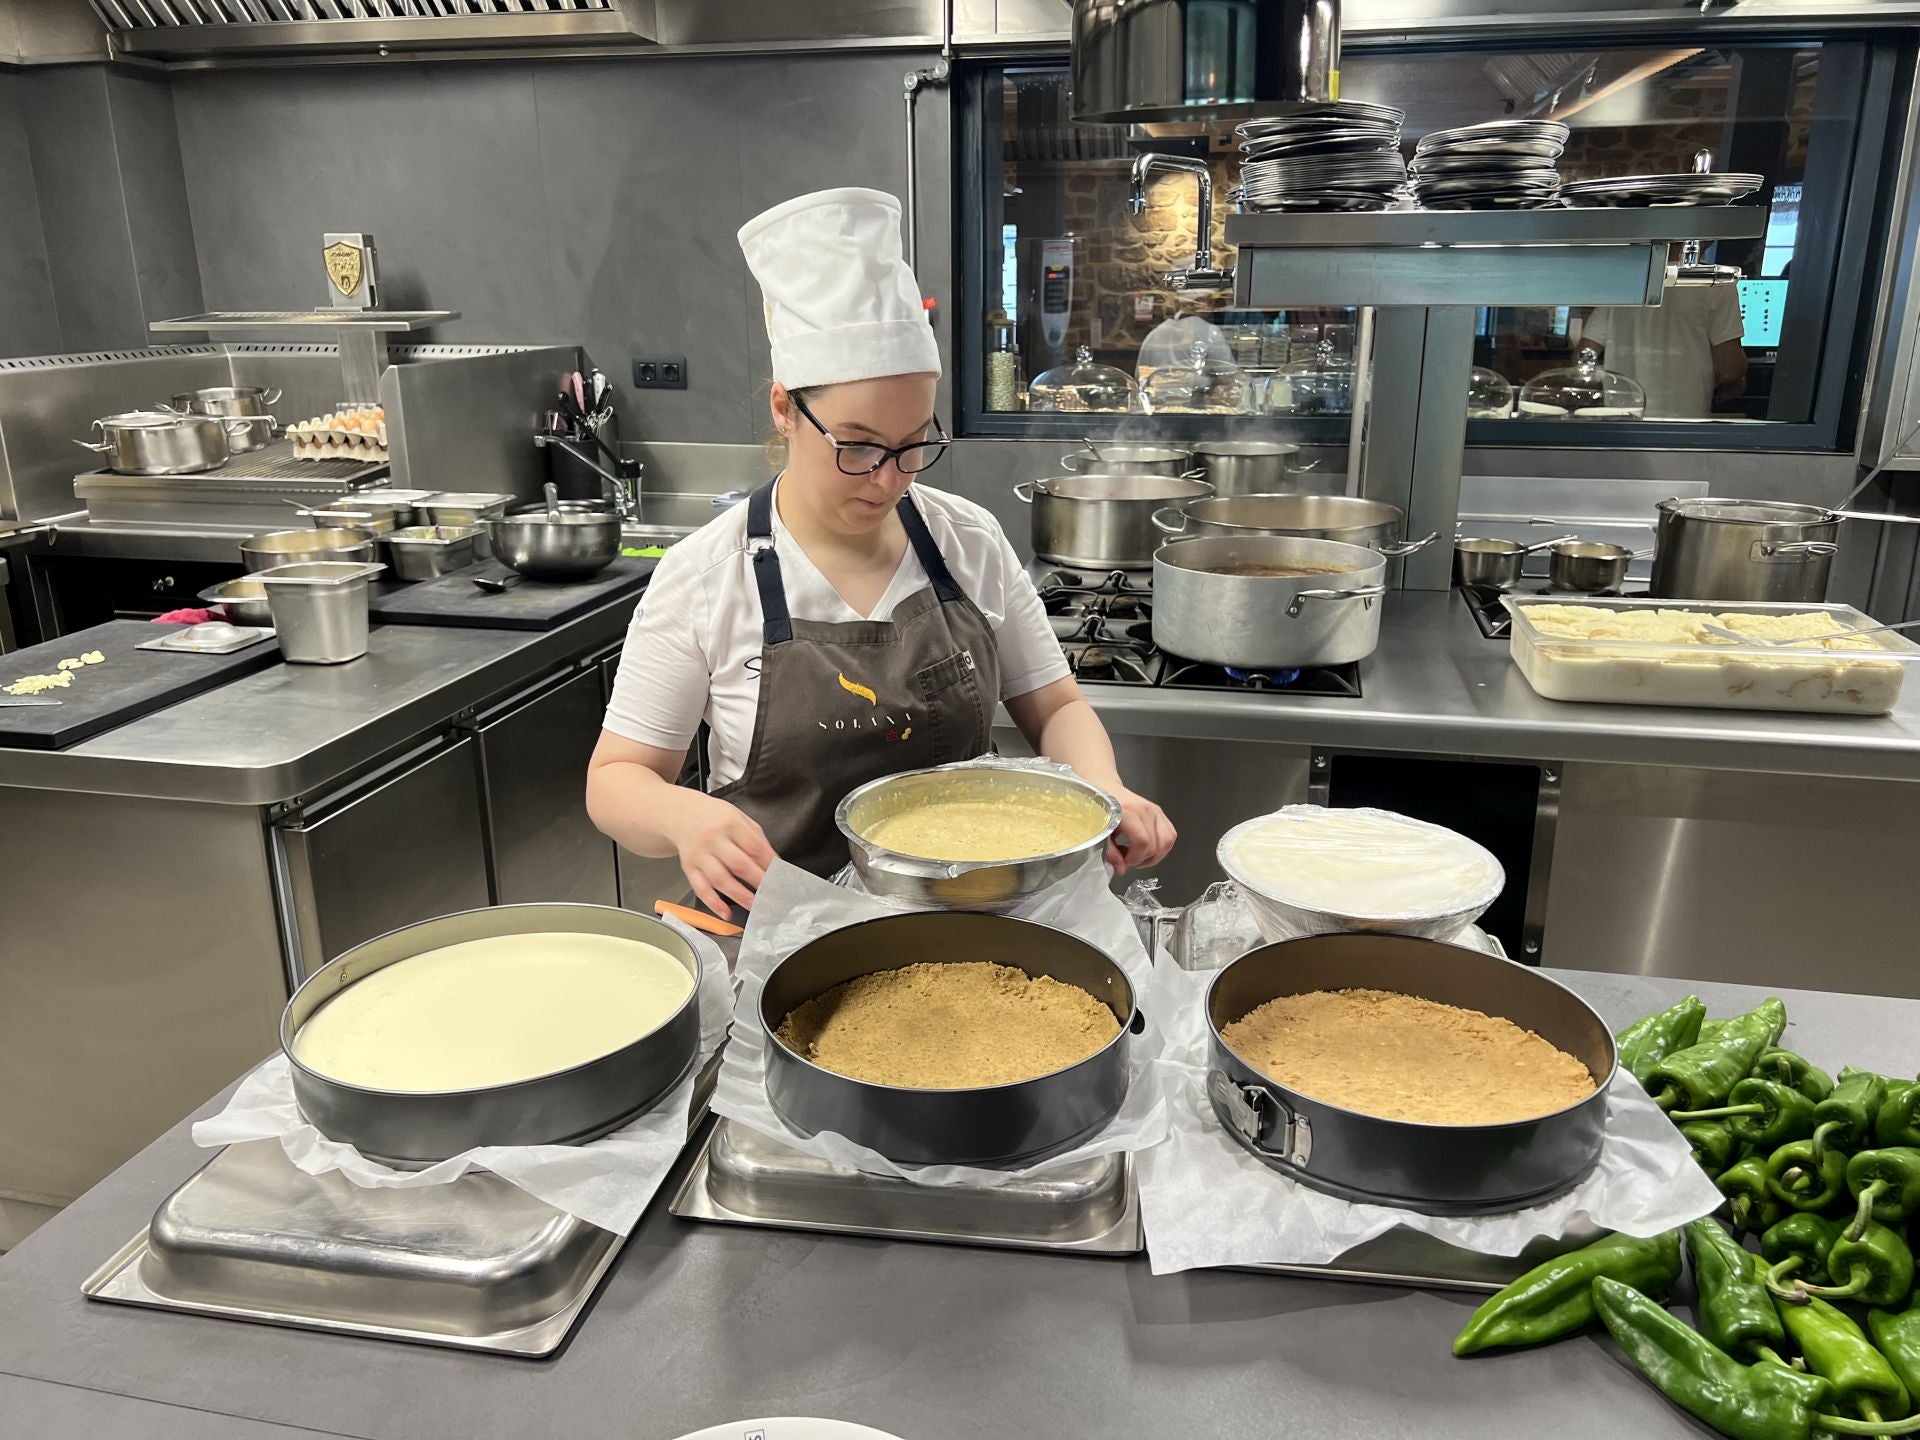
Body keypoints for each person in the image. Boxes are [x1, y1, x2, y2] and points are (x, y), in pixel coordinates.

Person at [586, 188, 1176, 916]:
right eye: (858, 445)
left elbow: (1054, 706)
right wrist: (683, 817)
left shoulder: (967, 539)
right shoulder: (707, 577)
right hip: (782, 940)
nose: (889, 479)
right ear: (784, 408)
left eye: (912, 445)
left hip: (969, 924)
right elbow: (615, 780)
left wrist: (1103, 784)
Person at [1582, 254, 1748, 419]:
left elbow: (1584, 355)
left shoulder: (1623, 281)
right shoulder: (1716, 281)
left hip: (1623, 423)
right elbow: (1730, 368)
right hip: (1684, 424)